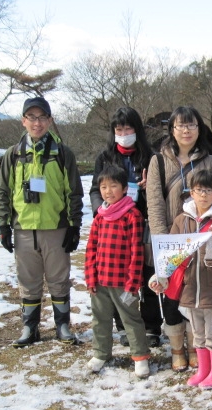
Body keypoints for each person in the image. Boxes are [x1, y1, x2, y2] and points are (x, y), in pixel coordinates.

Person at [0, 97, 83, 348]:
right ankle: (30, 326)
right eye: (32, 117)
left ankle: (62, 325)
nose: (37, 123)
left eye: (42, 117)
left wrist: (74, 226)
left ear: (50, 120)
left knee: (58, 278)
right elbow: (3, 191)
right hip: (23, 228)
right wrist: (3, 226)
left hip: (56, 228)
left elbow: (74, 192)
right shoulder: (13, 154)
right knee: (28, 279)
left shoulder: (62, 153)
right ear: (23, 121)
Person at [149, 170, 212, 389]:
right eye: (199, 190)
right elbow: (170, 254)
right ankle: (204, 369)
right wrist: (160, 276)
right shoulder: (182, 221)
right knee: (198, 333)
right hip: (190, 288)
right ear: (191, 192)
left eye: (208, 190)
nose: (203, 195)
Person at [146, 106, 212, 372]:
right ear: (172, 129)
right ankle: (177, 348)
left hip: (200, 238)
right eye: (181, 125)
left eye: (192, 125)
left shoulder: (210, 161)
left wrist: (209, 239)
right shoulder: (158, 161)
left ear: (199, 129)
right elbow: (155, 204)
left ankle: (194, 347)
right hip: (171, 239)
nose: (186, 130)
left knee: (194, 295)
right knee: (171, 295)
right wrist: (164, 245)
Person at [89, 107, 163, 348]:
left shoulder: (151, 156)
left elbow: (160, 192)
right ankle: (123, 325)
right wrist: (102, 213)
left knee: (147, 274)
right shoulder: (105, 157)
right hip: (115, 227)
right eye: (118, 130)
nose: (123, 134)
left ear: (137, 130)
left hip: (144, 222)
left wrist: (148, 188)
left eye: (128, 129)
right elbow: (95, 190)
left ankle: (151, 326)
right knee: (117, 278)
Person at [84, 166, 150, 378]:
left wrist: (133, 282)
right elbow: (91, 249)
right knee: (100, 318)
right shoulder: (100, 217)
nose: (108, 191)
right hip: (100, 281)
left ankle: (140, 356)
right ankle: (101, 353)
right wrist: (90, 277)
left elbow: (136, 251)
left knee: (131, 319)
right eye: (103, 187)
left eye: (113, 186)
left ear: (124, 188)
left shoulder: (132, 215)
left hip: (123, 282)